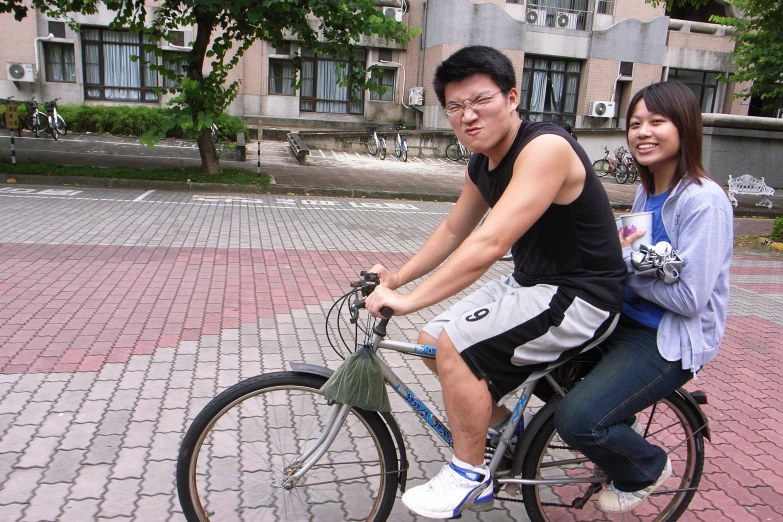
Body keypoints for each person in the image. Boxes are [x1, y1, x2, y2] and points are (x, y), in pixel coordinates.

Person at [364, 45, 626, 519]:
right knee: (431, 341)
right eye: (455, 107)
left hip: (583, 295)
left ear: (511, 97)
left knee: (458, 348)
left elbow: (488, 245)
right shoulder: (482, 162)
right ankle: (508, 426)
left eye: (479, 100)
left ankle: (468, 476)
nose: (467, 115)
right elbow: (453, 230)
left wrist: (406, 300)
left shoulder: (546, 148)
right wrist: (396, 276)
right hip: (534, 283)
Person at [555, 80, 733, 514]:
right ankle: (620, 417)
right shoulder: (648, 191)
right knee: (538, 361)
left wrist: (622, 274)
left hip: (666, 338)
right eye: (635, 124)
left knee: (577, 420)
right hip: (625, 319)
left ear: (685, 127)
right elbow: (626, 249)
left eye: (657, 121)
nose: (643, 132)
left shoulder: (704, 202)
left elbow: (690, 297)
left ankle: (647, 467)